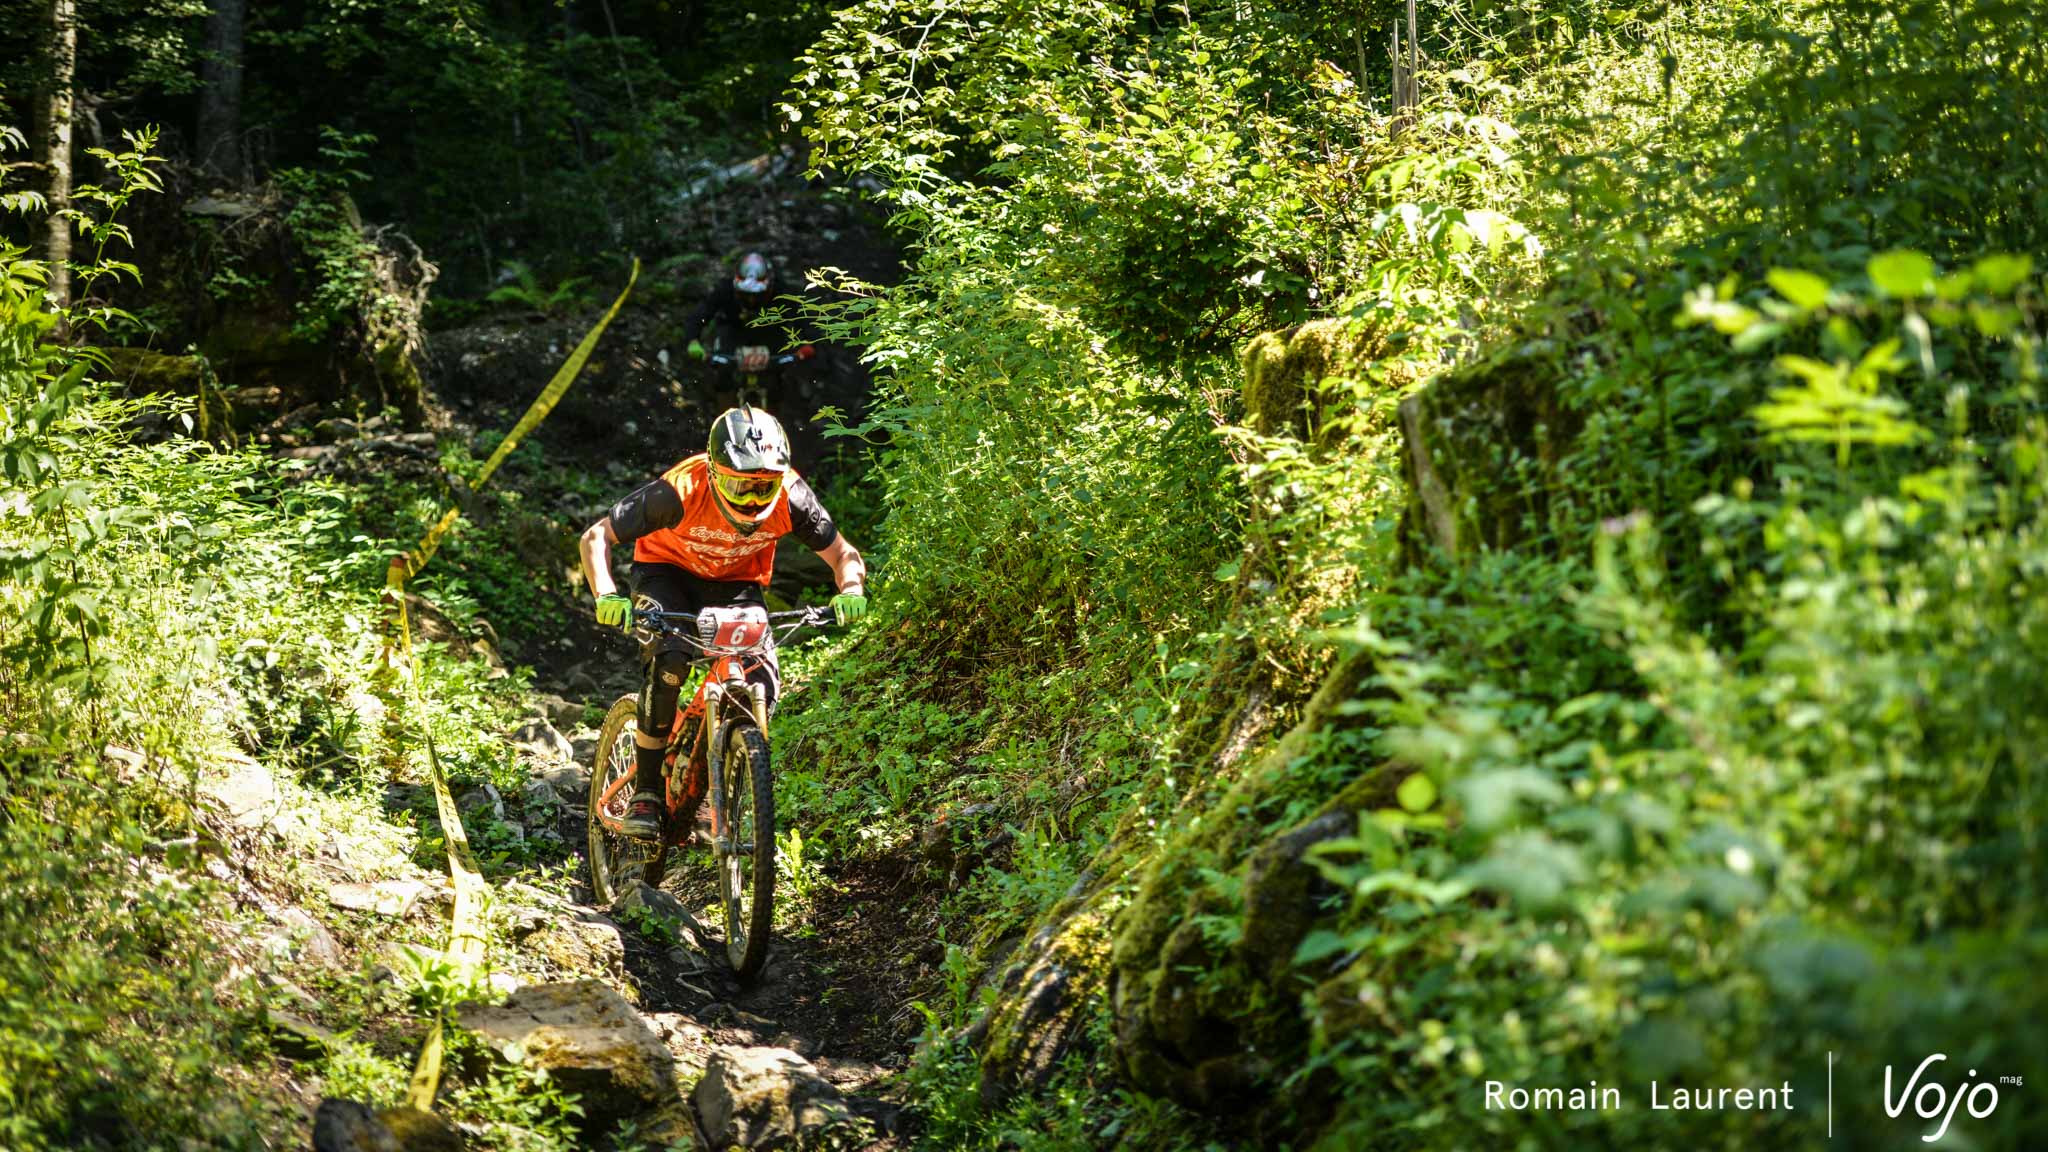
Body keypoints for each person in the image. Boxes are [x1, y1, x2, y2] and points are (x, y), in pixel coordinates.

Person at [577, 406, 867, 841]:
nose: (752, 499)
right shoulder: (679, 490)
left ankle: (720, 781)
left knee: (759, 682)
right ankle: (648, 791)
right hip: (666, 574)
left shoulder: (792, 496)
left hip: (736, 582)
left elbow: (844, 555)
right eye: (739, 485)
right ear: (714, 473)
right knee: (670, 662)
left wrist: (850, 591)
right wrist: (606, 594)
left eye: (762, 486)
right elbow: (596, 536)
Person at [684, 251, 816, 382]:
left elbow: (801, 316)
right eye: (745, 295)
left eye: (757, 295)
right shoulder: (725, 289)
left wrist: (809, 342)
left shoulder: (781, 290)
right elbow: (702, 312)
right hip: (734, 330)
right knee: (722, 375)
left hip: (771, 332)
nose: (751, 300)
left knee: (782, 376)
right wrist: (692, 340)